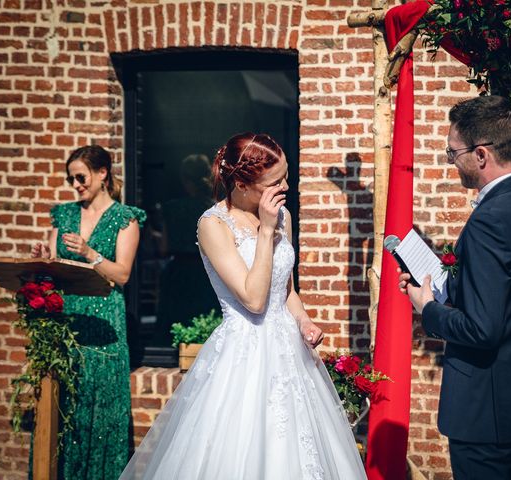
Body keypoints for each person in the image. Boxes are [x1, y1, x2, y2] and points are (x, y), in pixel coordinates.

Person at [119, 133, 367, 479]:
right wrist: (265, 232)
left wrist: (304, 321)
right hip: (244, 359)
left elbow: (286, 290)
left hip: (289, 355)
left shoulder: (283, 217)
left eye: (286, 176)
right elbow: (253, 299)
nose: (285, 187)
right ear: (241, 183)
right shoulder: (213, 225)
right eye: (274, 182)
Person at [398, 96, 511, 480]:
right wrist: (449, 284)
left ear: (481, 154)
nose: (452, 163)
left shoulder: (492, 219)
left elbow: (483, 329)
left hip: (484, 412)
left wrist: (427, 307)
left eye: (452, 154)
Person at [32, 145, 146, 479]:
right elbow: (54, 265)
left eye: (81, 177)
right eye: (71, 179)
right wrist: (43, 255)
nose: (76, 184)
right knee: (67, 406)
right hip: (68, 318)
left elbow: (122, 274)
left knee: (101, 408)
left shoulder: (125, 218)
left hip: (105, 320)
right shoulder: (64, 215)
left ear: (102, 174)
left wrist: (89, 252)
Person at [152, 153, 220, 346]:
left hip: (179, 272)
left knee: (175, 320)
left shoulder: (171, 208)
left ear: (185, 180)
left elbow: (164, 248)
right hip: (206, 271)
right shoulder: (215, 209)